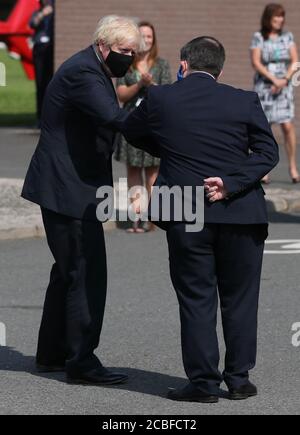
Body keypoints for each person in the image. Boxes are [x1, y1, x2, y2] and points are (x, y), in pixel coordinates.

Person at [122, 36, 279, 403]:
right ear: (220, 70)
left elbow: (130, 131)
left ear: (183, 65)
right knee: (240, 299)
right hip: (241, 212)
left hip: (183, 208)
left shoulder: (161, 98)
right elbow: (268, 152)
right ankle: (239, 380)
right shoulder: (244, 100)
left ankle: (204, 384)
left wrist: (171, 147)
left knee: (196, 298)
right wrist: (232, 181)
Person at [21, 15, 142, 386]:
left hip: (69, 186)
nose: (130, 59)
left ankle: (53, 353)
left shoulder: (92, 66)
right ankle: (81, 361)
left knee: (67, 271)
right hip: (68, 189)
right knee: (85, 273)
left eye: (134, 53)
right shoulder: (85, 74)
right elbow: (114, 119)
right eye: (124, 52)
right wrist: (167, 126)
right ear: (104, 46)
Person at [115, 21, 172, 233]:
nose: (146, 40)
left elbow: (167, 95)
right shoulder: (125, 63)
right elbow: (121, 94)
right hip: (131, 123)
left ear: (154, 40)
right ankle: (136, 217)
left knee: (152, 172)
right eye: (142, 36)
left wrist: (151, 85)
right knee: (133, 170)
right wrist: (139, 84)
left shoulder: (162, 65)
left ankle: (153, 217)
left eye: (149, 36)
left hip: (154, 126)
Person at [250, 3, 299, 184]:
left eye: (282, 16)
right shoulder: (258, 37)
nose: (280, 20)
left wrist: (284, 80)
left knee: (287, 126)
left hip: (284, 86)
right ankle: (265, 169)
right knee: (265, 128)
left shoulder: (287, 37)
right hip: (265, 87)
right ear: (268, 18)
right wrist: (273, 79)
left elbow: (295, 60)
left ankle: (293, 166)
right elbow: (256, 62)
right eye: (276, 16)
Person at [30, 0, 55, 126]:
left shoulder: (56, 13)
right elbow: (32, 24)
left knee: (51, 83)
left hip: (52, 49)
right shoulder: (37, 13)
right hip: (40, 49)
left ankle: (49, 116)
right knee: (40, 84)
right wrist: (42, 15)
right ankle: (39, 117)